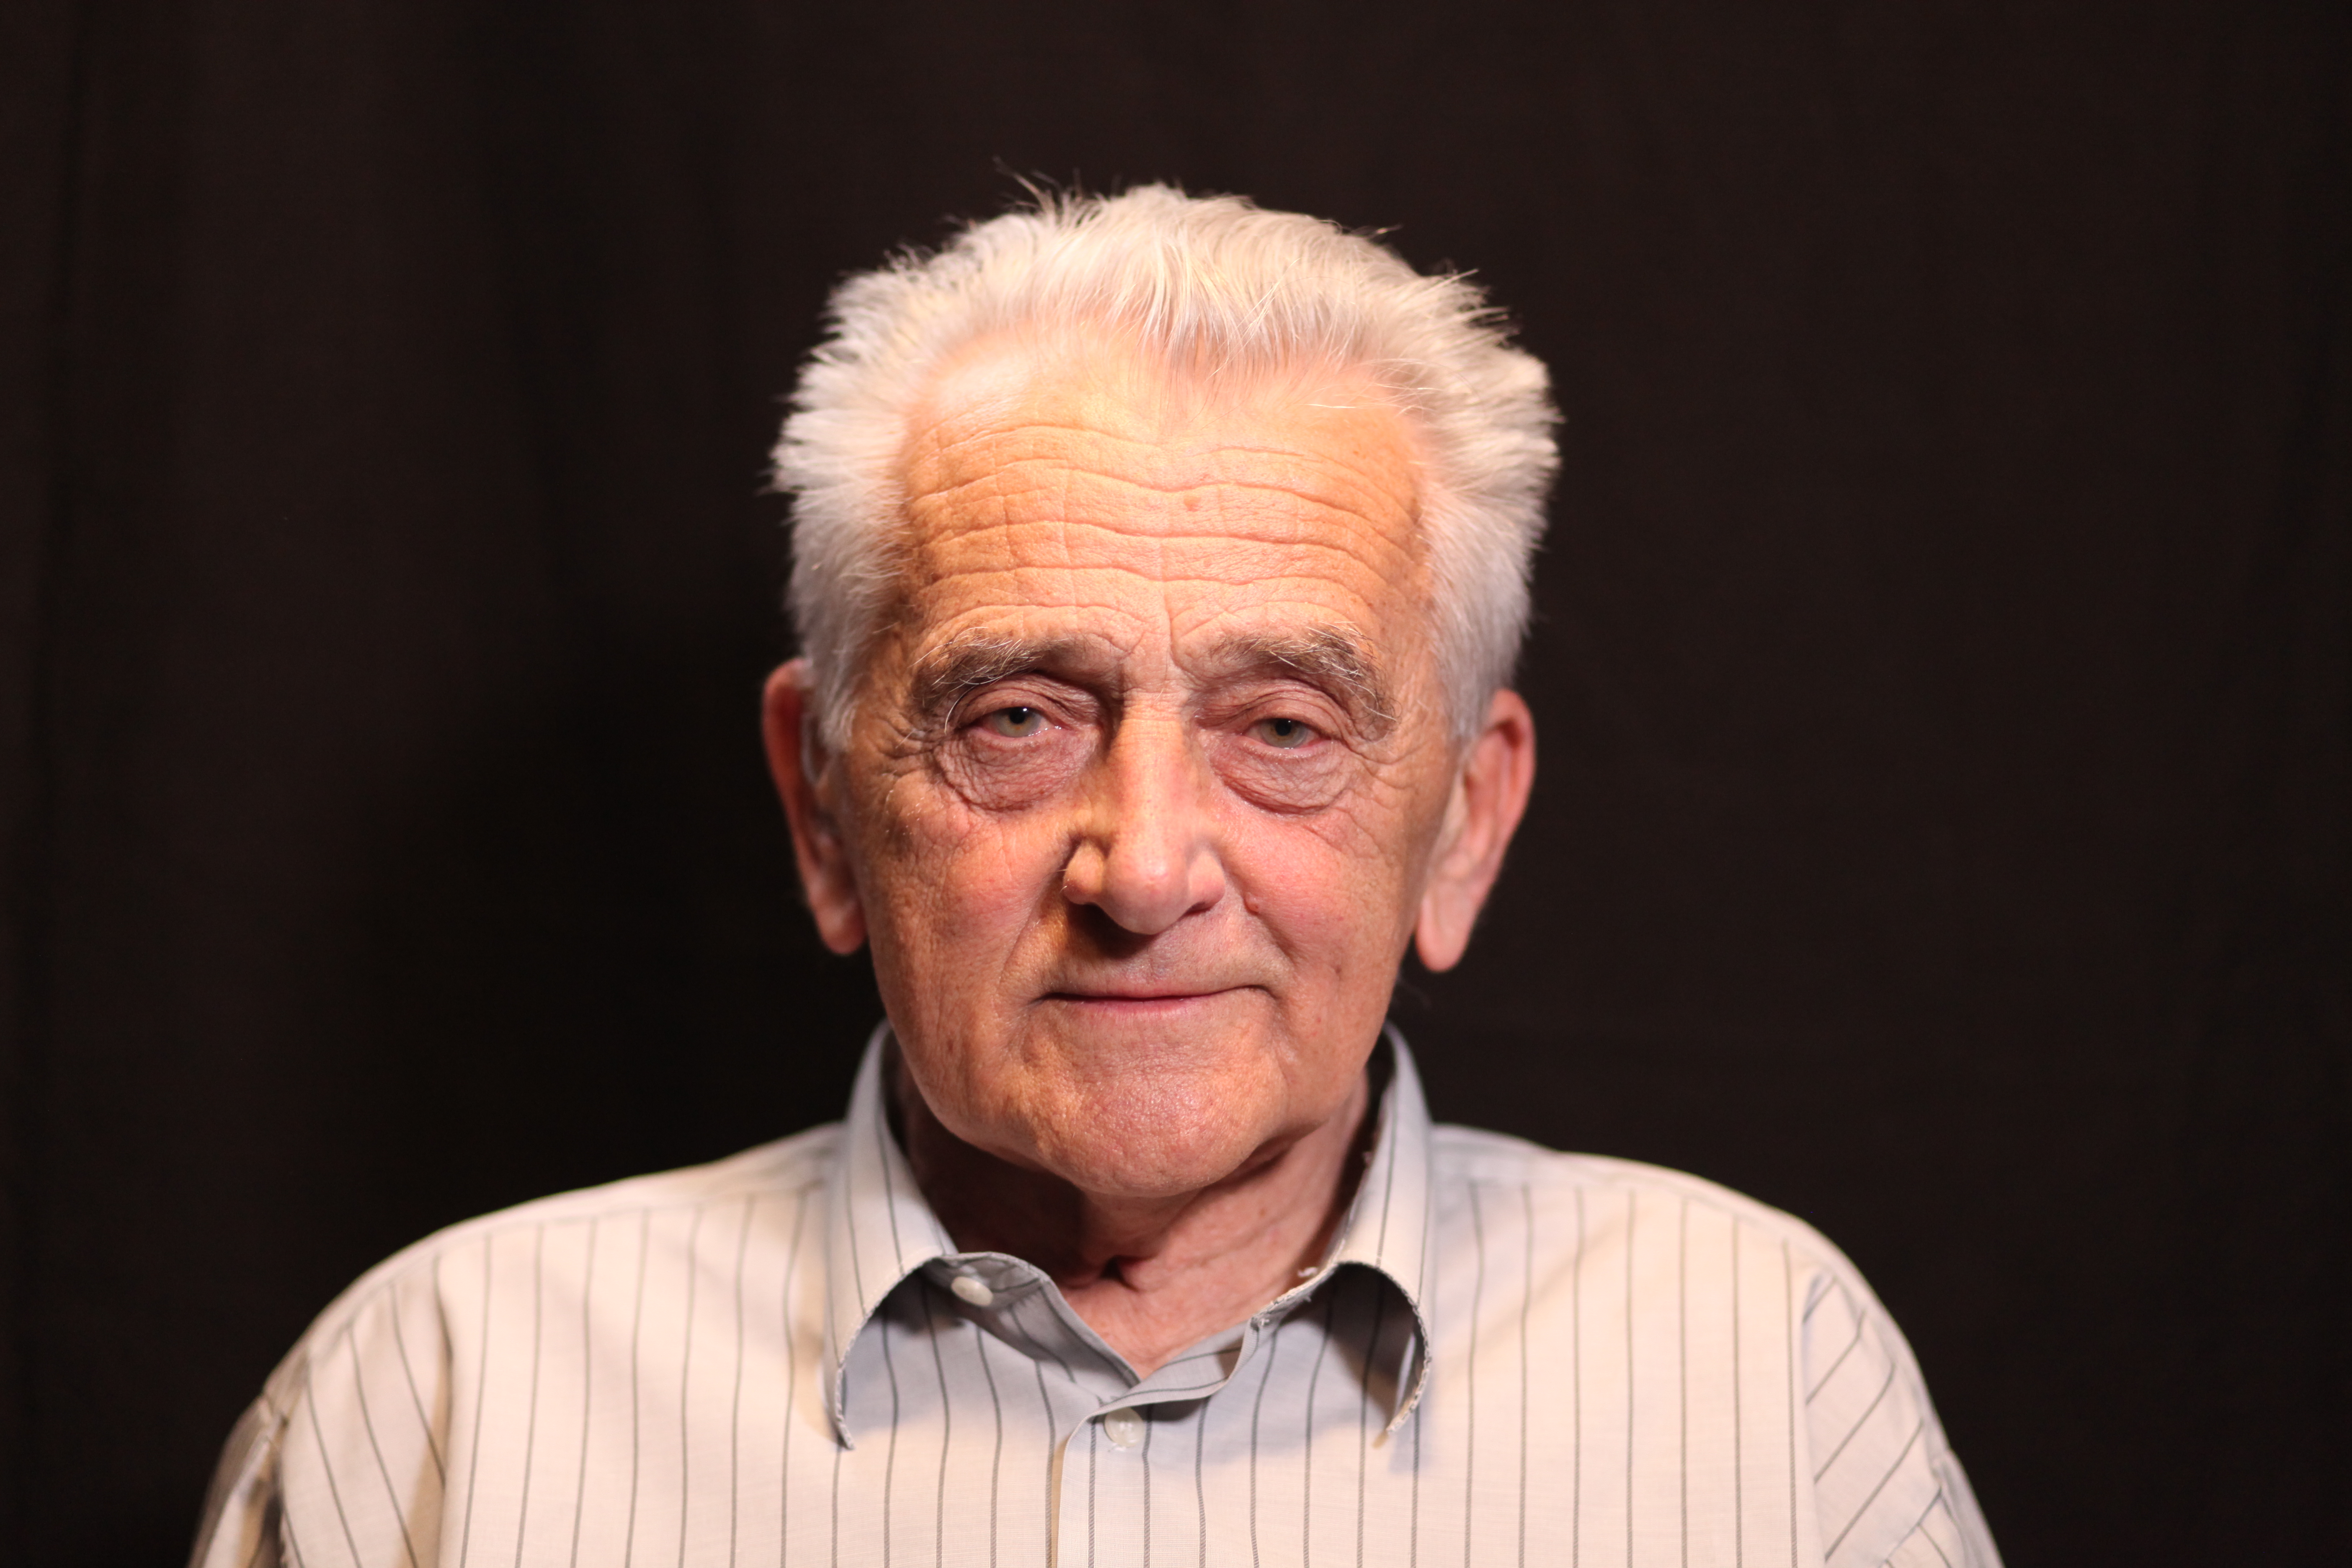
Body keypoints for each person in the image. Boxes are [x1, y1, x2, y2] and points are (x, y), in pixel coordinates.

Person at [191, 186, 1999, 1568]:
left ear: (1464, 824)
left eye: (1283, 726)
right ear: (824, 810)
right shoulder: (438, 1408)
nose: (1143, 870)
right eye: (1017, 718)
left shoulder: (1770, 1388)